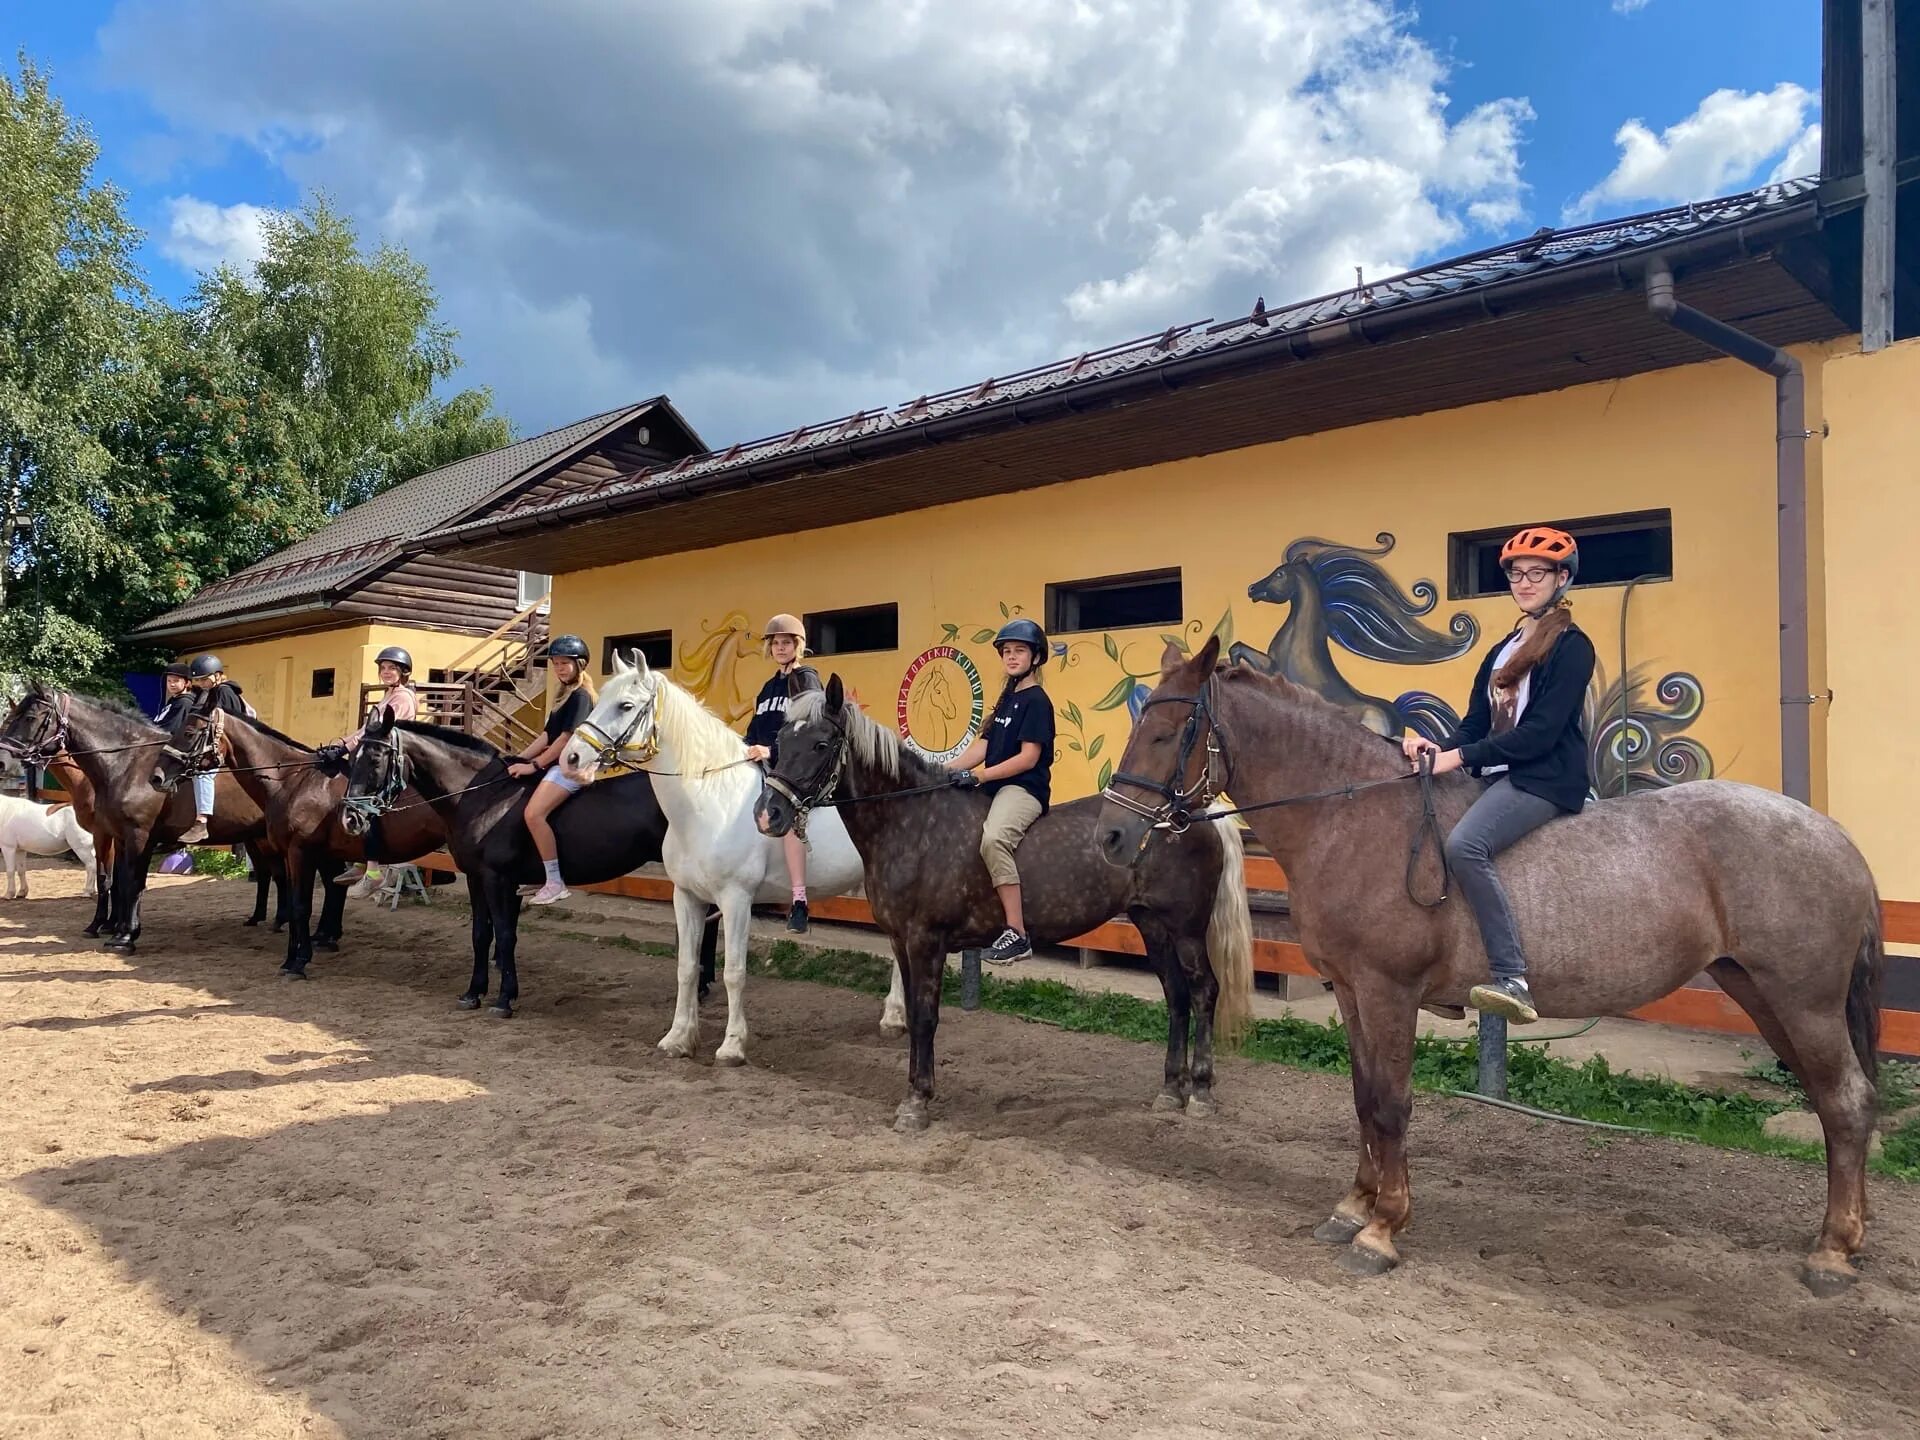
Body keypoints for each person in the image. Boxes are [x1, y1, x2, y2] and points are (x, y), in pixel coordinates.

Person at [1404, 526, 1596, 1024]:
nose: (1525, 582)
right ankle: (1440, 972)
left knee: (1465, 845)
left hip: (1543, 778)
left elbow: (1541, 733)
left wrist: (1459, 759)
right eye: (1516, 573)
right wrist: (1437, 747)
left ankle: (1513, 978)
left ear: (1561, 579)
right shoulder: (1504, 649)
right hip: (1497, 773)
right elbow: (1473, 724)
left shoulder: (1572, 647)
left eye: (1538, 573)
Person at [945, 618, 1056, 965]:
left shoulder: (1037, 701)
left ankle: (1017, 933)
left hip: (1022, 789)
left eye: (1019, 651)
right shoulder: (1007, 699)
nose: (1011, 657)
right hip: (993, 784)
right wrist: (943, 770)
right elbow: (984, 745)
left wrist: (978, 776)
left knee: (993, 839)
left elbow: (1028, 758)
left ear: (1035, 658)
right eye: (1007, 652)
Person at [743, 613, 824, 932]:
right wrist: (745, 748)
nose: (779, 647)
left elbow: (810, 730)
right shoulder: (768, 687)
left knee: (789, 819)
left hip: (793, 768)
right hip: (764, 763)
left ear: (798, 646)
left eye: (786, 643)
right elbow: (754, 730)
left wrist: (771, 752)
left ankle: (800, 901)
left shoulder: (806, 678)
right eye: (775, 643)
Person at [509, 635, 596, 906]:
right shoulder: (563, 695)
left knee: (533, 814)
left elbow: (564, 740)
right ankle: (536, 870)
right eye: (556, 664)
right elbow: (547, 735)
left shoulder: (581, 697)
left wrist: (534, 765)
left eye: (565, 664)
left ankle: (555, 882)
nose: (559, 669)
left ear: (579, 665)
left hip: (571, 768)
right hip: (557, 764)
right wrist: (517, 758)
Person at [334, 647, 418, 892]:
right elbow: (365, 729)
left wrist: (345, 747)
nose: (386, 672)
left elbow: (380, 731)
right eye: (383, 668)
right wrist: (341, 744)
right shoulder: (388, 695)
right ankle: (361, 862)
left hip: (391, 759)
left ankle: (373, 871)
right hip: (377, 754)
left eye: (392, 668)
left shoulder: (401, 698)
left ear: (403, 672)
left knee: (369, 804)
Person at [176, 655, 253, 844]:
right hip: (215, 745)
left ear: (217, 675)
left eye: (205, 679)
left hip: (231, 748)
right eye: (199, 680)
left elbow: (224, 727)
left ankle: (202, 821)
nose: (202, 683)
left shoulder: (224, 692)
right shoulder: (208, 692)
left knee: (203, 773)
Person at [152, 662, 193, 728]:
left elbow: (170, 730)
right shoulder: (174, 700)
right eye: (169, 681)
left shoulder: (183, 702)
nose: (172, 684)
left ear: (187, 683)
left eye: (176, 681)